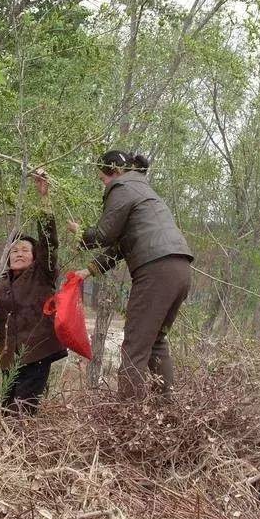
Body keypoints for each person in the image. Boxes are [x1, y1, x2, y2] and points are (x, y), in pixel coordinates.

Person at [68, 151, 193, 401]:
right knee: (156, 341)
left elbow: (104, 234)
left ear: (114, 171)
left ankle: (128, 417)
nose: (103, 183)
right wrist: (88, 271)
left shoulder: (122, 187)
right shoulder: (143, 189)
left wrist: (80, 233)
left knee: (134, 347)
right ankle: (164, 410)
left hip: (155, 271)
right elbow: (122, 244)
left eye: (102, 177)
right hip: (180, 268)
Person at [0, 171, 68, 415]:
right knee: (7, 413)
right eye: (14, 251)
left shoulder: (42, 273)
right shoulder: (0, 284)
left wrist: (44, 198)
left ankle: (22, 451)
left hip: (36, 354)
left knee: (22, 413)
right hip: (9, 360)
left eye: (25, 250)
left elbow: (49, 242)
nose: (18, 254)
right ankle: (14, 453)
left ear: (35, 256)